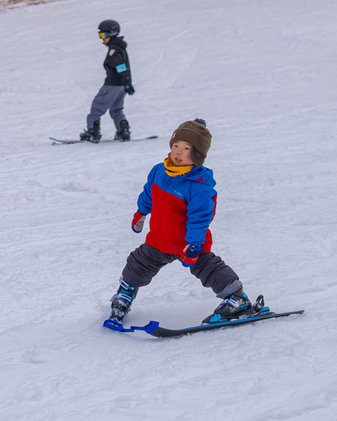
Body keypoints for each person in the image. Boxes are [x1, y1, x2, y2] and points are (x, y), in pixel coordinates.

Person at [107, 119, 255, 325]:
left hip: (188, 244)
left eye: (186, 148)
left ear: (196, 155)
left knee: (210, 269)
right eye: (175, 145)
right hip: (159, 240)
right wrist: (141, 212)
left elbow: (200, 218)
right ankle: (125, 294)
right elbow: (149, 193)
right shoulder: (159, 171)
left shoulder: (199, 186)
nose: (178, 152)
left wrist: (194, 245)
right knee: (137, 264)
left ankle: (237, 298)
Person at [79, 19, 135, 143]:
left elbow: (120, 66)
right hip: (120, 87)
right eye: (100, 35)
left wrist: (125, 80)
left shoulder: (113, 50)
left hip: (113, 84)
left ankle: (92, 133)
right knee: (116, 109)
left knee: (96, 109)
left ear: (112, 34)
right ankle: (123, 131)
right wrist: (126, 83)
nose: (101, 39)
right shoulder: (119, 47)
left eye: (103, 35)